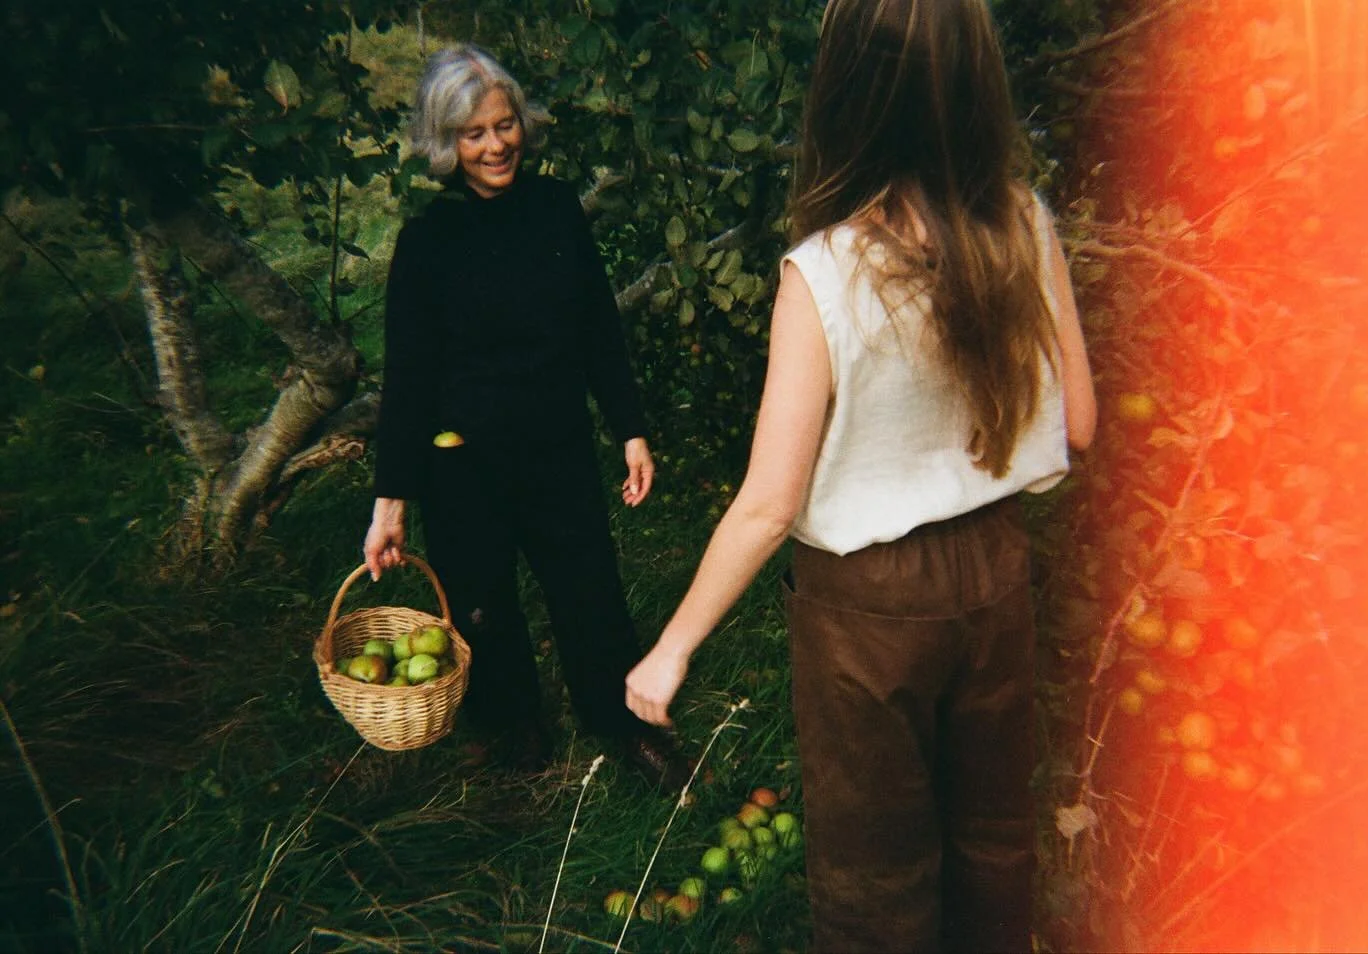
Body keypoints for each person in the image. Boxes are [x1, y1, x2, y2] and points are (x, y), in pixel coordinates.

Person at [623, 0, 1097, 950]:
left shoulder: (827, 274)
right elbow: (1079, 425)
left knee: (876, 870)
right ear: (979, 83)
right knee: (996, 839)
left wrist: (670, 649)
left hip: (866, 613)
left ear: (846, 93)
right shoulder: (1023, 223)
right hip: (995, 576)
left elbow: (768, 503)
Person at [363, 45, 688, 792]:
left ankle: (623, 724)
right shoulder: (428, 243)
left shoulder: (555, 209)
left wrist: (629, 428)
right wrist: (392, 501)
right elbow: (408, 378)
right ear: (445, 144)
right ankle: (515, 731)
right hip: (461, 462)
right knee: (480, 604)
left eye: (504, 125)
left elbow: (598, 328)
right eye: (473, 133)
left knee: (591, 593)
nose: (495, 145)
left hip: (556, 447)